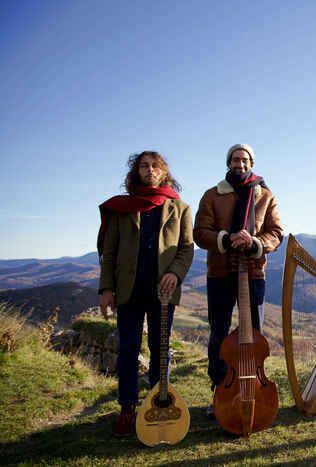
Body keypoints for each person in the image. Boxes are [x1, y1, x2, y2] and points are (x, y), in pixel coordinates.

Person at [98, 151, 194, 437]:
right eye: (144, 166)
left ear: (164, 172)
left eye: (155, 166)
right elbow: (110, 251)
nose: (149, 170)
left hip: (163, 291)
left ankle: (158, 404)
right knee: (128, 350)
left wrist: (174, 274)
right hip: (129, 289)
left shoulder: (180, 208)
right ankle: (127, 408)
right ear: (136, 171)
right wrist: (106, 289)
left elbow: (187, 248)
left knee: (160, 351)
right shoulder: (123, 208)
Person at [193, 143, 283, 416]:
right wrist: (226, 238)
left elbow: (276, 233)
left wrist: (254, 241)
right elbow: (200, 232)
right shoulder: (212, 195)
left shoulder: (265, 196)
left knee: (254, 333)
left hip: (254, 272)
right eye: (235, 159)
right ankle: (220, 391)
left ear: (251, 162)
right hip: (220, 271)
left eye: (244, 159)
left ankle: (253, 390)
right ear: (228, 162)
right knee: (219, 333)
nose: (239, 164)